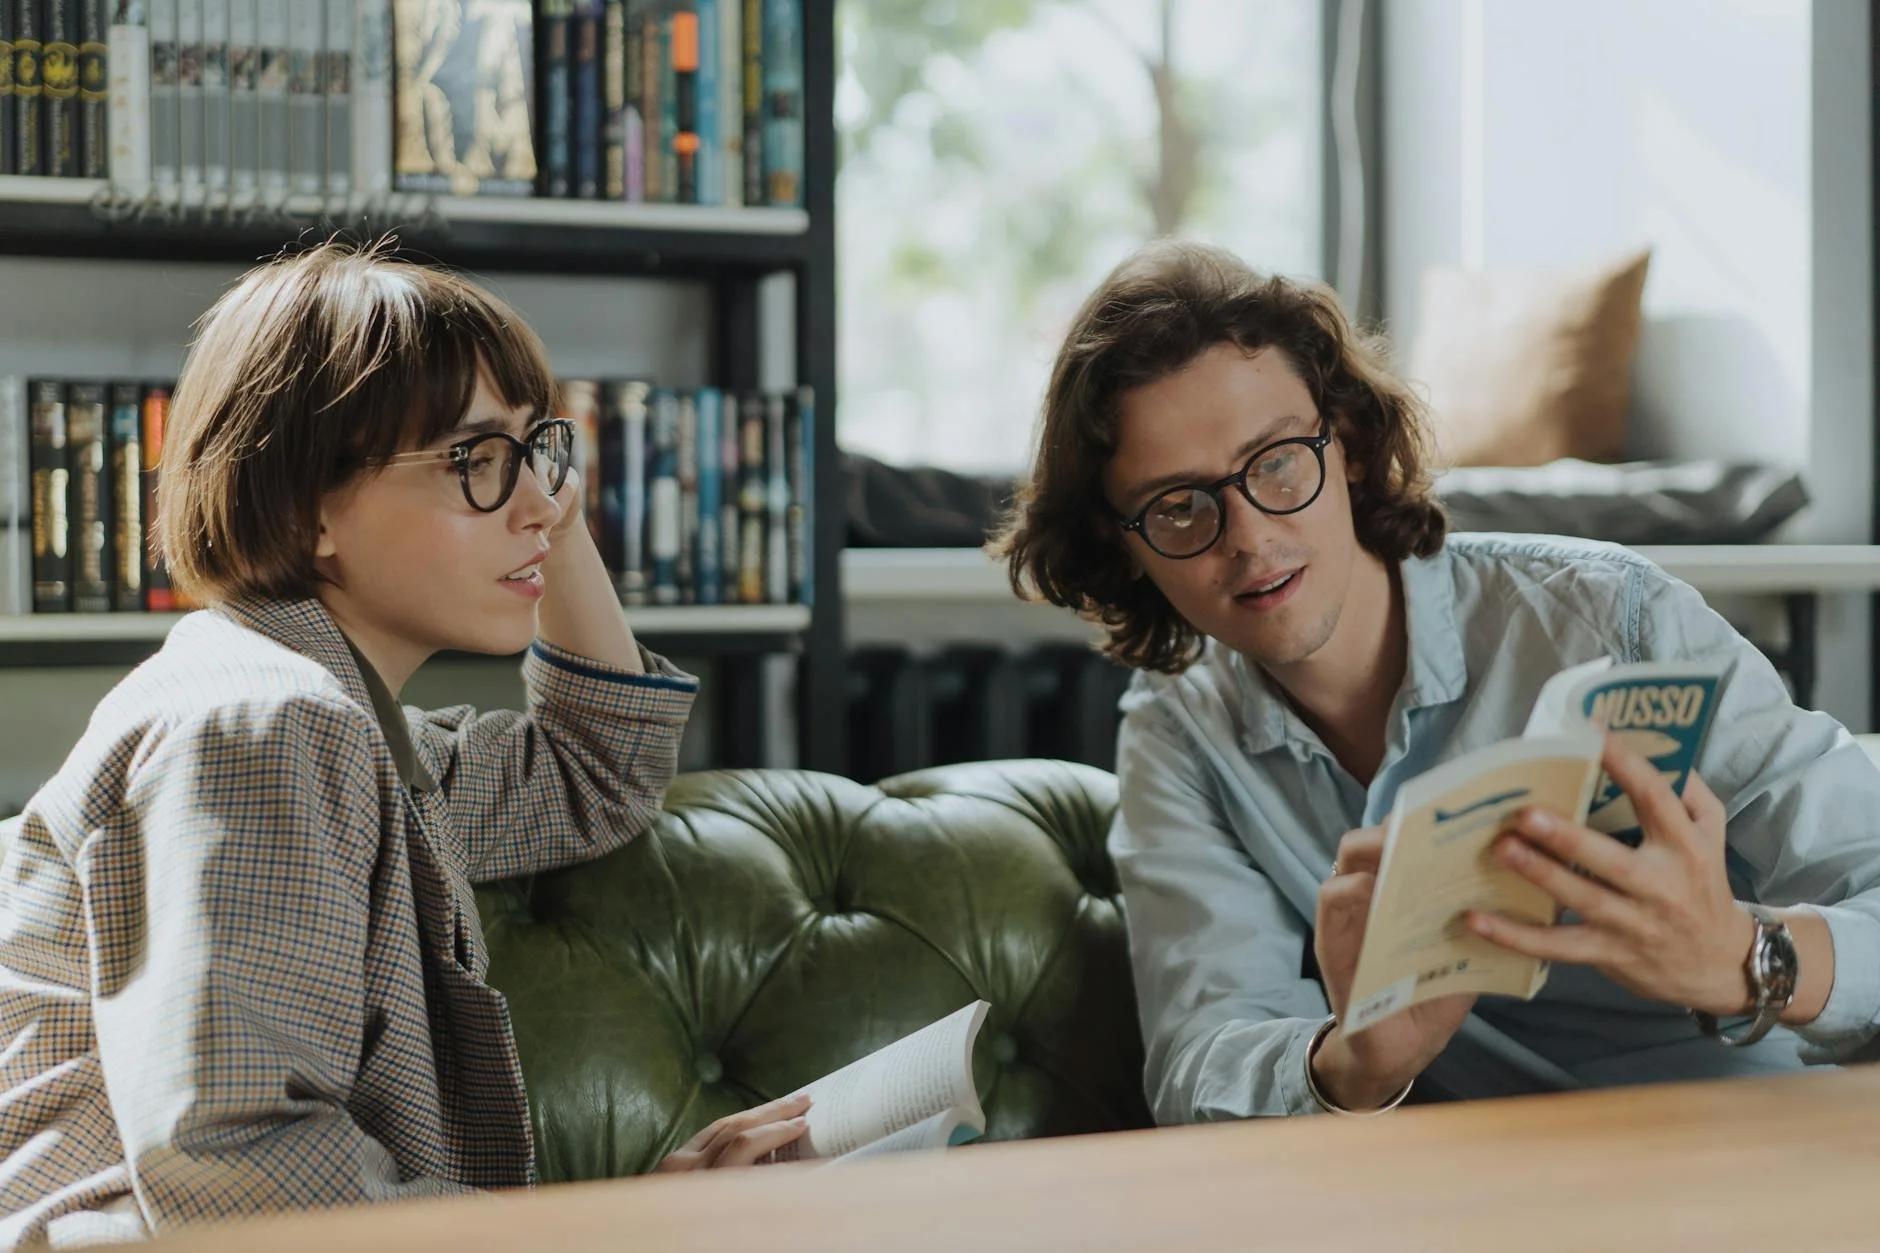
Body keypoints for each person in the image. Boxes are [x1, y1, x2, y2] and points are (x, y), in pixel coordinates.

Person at [0, 244, 807, 1246]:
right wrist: (620, 1231)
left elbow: (599, 771)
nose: (538, 509)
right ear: (306, 506)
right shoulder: (259, 726)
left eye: (535, 449)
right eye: (473, 461)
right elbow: (242, 1170)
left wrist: (530, 498)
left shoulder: (338, 722)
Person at [996, 239, 1880, 1122]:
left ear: (1343, 443)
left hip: (1750, 1148)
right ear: (1124, 541)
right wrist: (1351, 1059)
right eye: (1179, 506)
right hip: (1467, 1193)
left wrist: (1744, 956)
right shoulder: (1179, 727)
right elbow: (1201, 1054)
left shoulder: (1614, 618)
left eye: (1275, 464)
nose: (1249, 537)